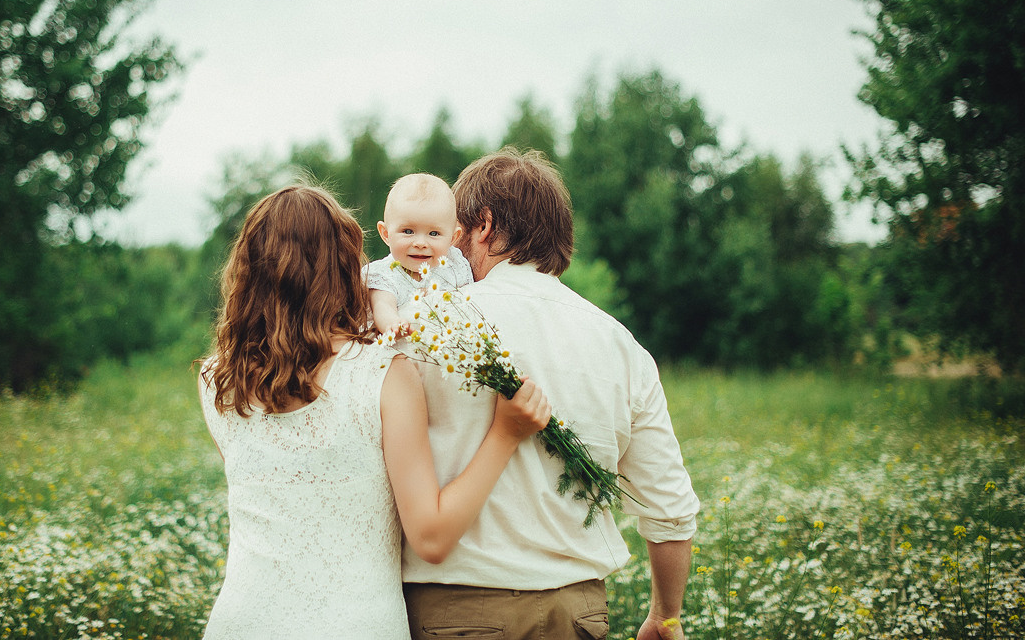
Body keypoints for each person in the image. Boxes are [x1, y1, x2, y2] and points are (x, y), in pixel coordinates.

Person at [197, 185, 551, 640]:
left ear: (244, 271)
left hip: (239, 623)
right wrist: (505, 432)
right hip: (355, 626)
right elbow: (432, 538)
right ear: (347, 266)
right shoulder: (382, 373)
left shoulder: (217, 381)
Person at [401, 149, 701, 640]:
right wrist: (664, 616)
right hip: (579, 614)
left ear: (484, 226)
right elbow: (669, 507)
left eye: (455, 232)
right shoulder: (619, 344)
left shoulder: (430, 324)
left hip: (458, 612)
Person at [364, 172, 473, 336]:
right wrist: (393, 324)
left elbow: (472, 300)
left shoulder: (454, 265)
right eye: (408, 231)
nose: (421, 243)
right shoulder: (383, 275)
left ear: (453, 238)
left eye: (434, 233)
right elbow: (383, 307)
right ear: (386, 234)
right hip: (402, 349)